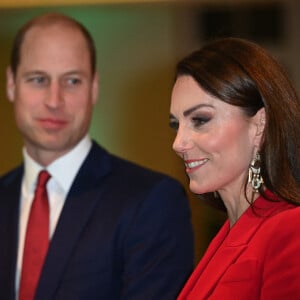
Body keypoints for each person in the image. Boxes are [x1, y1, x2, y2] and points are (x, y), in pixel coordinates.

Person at [0, 12, 194, 300]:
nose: (55, 100)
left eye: (73, 81)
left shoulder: (152, 202)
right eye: (38, 79)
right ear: (12, 84)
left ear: (94, 88)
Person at [169, 37, 300, 299]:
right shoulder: (227, 235)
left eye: (200, 120)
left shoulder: (290, 229)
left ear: (259, 126)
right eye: (176, 124)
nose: (178, 143)